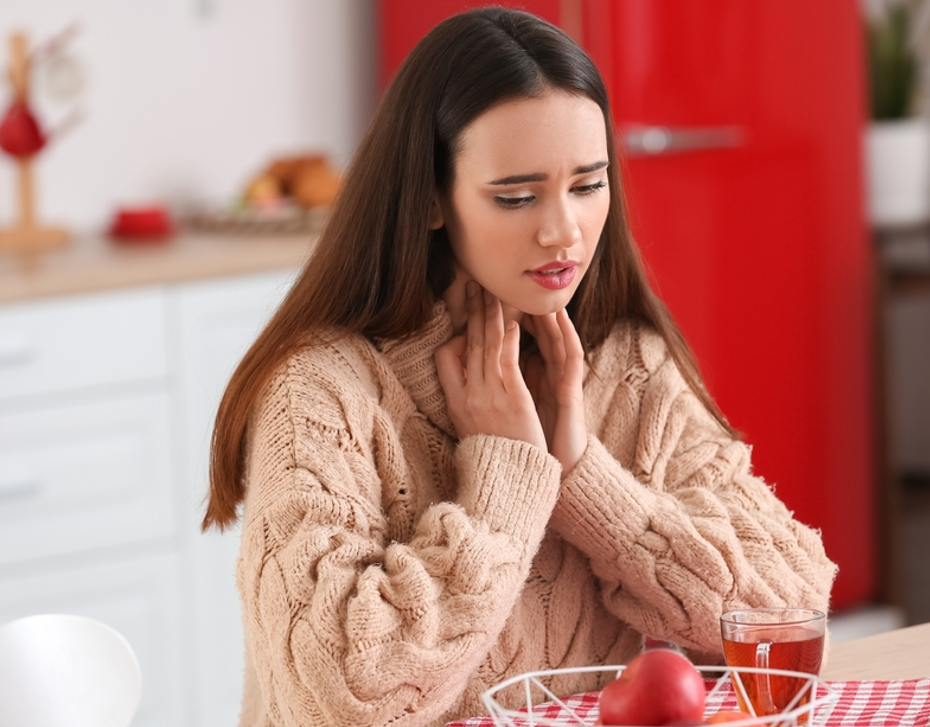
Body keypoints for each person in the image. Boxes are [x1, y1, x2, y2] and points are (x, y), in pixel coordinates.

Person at [203, 7, 836, 727]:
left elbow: (793, 612)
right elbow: (350, 693)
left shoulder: (629, 365)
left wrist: (583, 475)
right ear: (433, 199)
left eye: (588, 184)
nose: (562, 229)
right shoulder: (321, 392)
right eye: (516, 195)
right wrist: (503, 477)